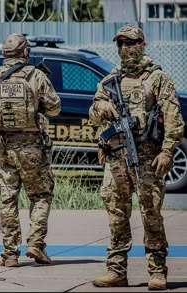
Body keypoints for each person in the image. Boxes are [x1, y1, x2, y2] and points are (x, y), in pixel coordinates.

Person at [89, 24, 184, 290]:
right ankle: (116, 270)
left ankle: (157, 271)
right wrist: (101, 106)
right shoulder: (109, 81)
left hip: (147, 158)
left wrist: (167, 151)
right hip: (116, 159)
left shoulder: (158, 79)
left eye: (130, 43)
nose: (125, 48)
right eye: (121, 44)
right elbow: (93, 114)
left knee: (151, 213)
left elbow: (174, 118)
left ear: (142, 45)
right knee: (116, 214)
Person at [0, 33, 61, 267]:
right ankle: (36, 244)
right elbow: (54, 109)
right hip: (32, 147)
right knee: (41, 195)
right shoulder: (37, 76)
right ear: (25, 53)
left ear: (4, 54)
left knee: (7, 199)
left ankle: (10, 253)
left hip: (2, 147)